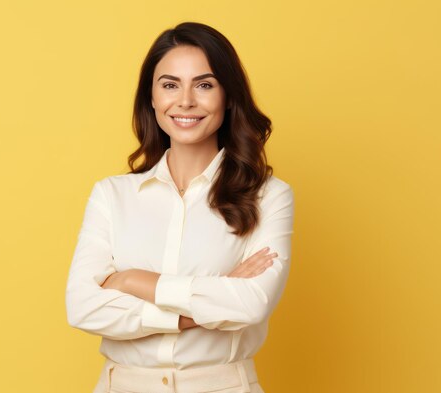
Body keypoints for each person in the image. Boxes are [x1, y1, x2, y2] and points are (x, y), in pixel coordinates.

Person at [66, 21, 295, 393]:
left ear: (228, 96)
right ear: (152, 98)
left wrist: (133, 281)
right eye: (170, 85)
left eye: (204, 85)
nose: (185, 100)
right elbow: (83, 307)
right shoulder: (112, 195)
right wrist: (204, 305)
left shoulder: (269, 196)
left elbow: (251, 304)